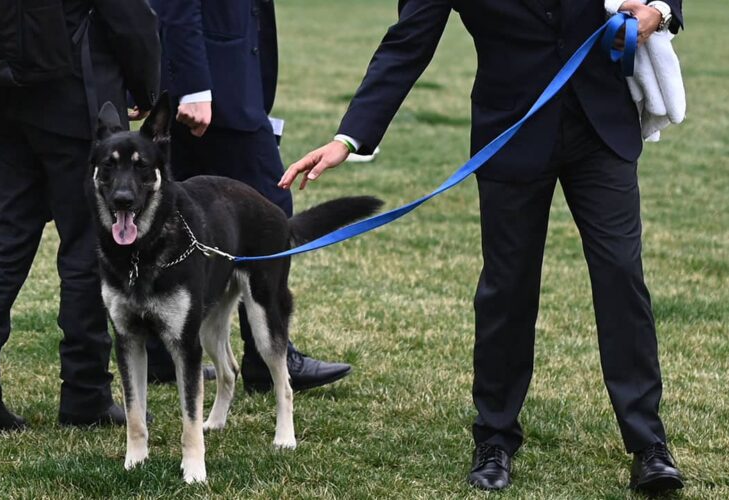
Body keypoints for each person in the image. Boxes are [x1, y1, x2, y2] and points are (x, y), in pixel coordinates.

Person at [281, 0, 684, 493]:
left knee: (622, 275)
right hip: (511, 129)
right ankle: (495, 437)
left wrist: (660, 11)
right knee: (506, 287)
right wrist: (348, 138)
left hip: (601, 126)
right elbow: (408, 43)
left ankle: (648, 443)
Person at [0, 0, 160, 437]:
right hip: (75, 99)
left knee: (3, 242)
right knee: (84, 248)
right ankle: (84, 393)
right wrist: (146, 88)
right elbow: (129, 17)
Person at [147, 0, 352, 393]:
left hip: (217, 75)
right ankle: (267, 356)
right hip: (210, 87)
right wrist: (192, 86)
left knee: (179, 210)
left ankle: (162, 346)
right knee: (271, 210)